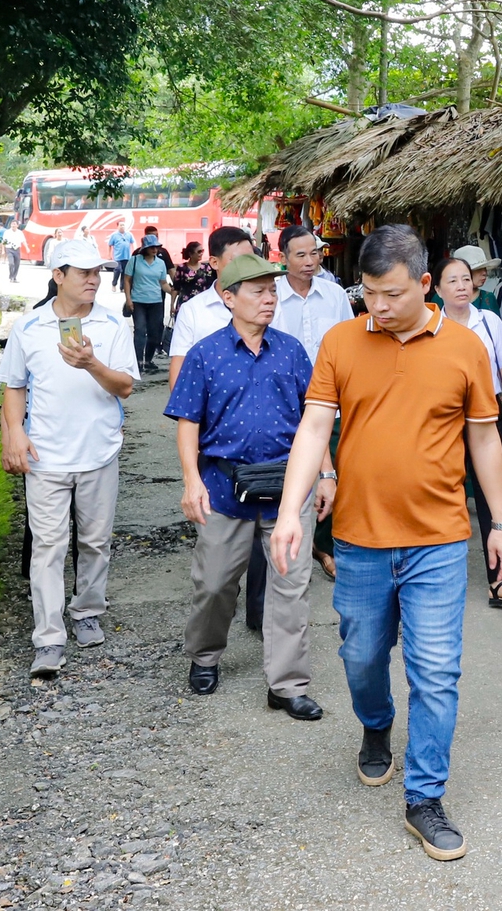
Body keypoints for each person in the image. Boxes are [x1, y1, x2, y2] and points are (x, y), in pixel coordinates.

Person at [270, 225, 502, 863]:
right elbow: (315, 425)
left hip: (439, 540)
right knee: (360, 656)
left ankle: (425, 796)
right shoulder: (341, 340)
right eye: (369, 294)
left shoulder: (465, 347)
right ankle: (376, 724)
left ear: (426, 284)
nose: (377, 308)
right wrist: (291, 512)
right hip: (359, 538)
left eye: (392, 295)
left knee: (436, 672)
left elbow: (485, 439)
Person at [164, 252, 323, 719]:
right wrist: (191, 481)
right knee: (214, 583)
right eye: (258, 291)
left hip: (288, 486)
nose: (269, 299)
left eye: (272, 291)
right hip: (223, 487)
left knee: (290, 585)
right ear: (229, 298)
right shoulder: (206, 354)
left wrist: (326, 473)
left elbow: (315, 418)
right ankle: (205, 655)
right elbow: (187, 422)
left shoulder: (292, 350)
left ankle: (287, 684)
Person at [0, 239, 138, 679]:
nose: (95, 280)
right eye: (84, 273)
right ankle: (49, 637)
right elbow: (14, 385)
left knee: (95, 541)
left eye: (98, 272)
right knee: (48, 547)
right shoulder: (29, 327)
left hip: (99, 452)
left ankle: (87, 610)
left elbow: (125, 387)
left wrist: (91, 363)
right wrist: (14, 434)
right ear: (58, 276)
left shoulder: (113, 326)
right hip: (45, 456)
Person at [435, 253, 502, 608]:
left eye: (465, 279)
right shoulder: (432, 325)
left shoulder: (489, 321)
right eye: (453, 281)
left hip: (488, 415)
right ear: (437, 289)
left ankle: (500, 583)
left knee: (494, 499)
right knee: (449, 497)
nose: (461, 286)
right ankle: (443, 578)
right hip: (445, 418)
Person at [167, 226, 256, 388]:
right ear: (215, 262)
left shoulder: (266, 305)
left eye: (250, 260)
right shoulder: (193, 311)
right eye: (237, 260)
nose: (246, 266)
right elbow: (179, 371)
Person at [273, 224, 355, 359]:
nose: (309, 262)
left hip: (328, 378)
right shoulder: (271, 298)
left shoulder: (335, 294)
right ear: (283, 258)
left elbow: (349, 341)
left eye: (313, 253)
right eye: (301, 255)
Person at [124, 238, 174, 370]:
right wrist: (128, 298)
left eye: (156, 247)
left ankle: (148, 360)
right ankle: (138, 361)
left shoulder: (161, 263)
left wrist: (173, 292)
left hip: (156, 301)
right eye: (152, 247)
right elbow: (127, 280)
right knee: (140, 330)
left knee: (154, 333)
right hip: (138, 300)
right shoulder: (134, 260)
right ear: (145, 248)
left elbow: (163, 282)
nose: (155, 249)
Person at [172, 240, 216, 309]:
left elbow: (211, 287)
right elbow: (176, 288)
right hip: (185, 304)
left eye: (202, 251)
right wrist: (172, 305)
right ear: (190, 254)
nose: (201, 253)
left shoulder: (206, 268)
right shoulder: (182, 268)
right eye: (199, 252)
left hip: (202, 304)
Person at [107, 222, 135, 292]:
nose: (122, 226)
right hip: (117, 257)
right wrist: (109, 255)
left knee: (124, 272)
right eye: (120, 225)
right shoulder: (114, 235)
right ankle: (114, 284)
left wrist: (134, 253)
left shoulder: (129, 234)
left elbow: (132, 243)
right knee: (118, 270)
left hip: (126, 257)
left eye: (123, 225)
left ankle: (122, 287)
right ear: (117, 226)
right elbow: (110, 245)